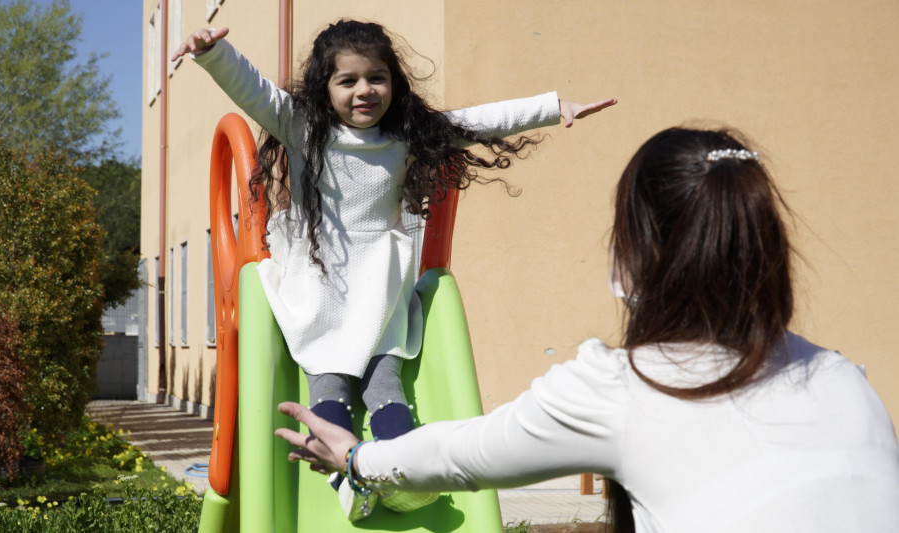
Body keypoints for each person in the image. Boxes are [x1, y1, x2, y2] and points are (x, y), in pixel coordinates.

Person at [275, 127, 899, 532]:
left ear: (638, 253)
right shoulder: (845, 380)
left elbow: (458, 453)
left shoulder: (622, 386)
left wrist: (356, 457)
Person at [172, 20, 616, 522]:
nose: (365, 90)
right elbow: (252, 89)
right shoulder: (302, 128)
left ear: (393, 83)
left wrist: (554, 109)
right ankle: (347, 480)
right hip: (319, 287)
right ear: (325, 88)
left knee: (387, 385)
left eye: (377, 78)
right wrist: (213, 54)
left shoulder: (408, 134)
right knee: (330, 383)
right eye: (348, 80)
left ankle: (399, 476)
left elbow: (479, 120)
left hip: (378, 288)